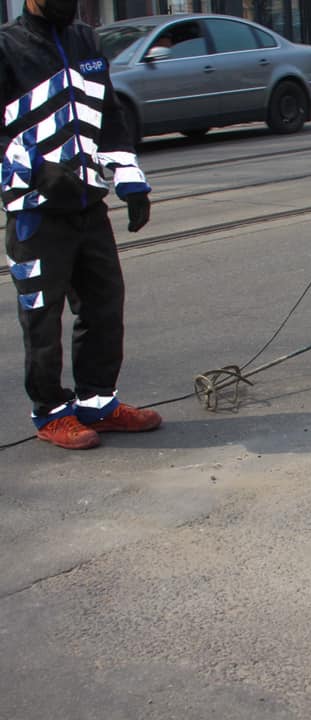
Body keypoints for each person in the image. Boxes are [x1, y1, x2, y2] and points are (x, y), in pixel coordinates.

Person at [1, 0, 161, 450]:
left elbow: (108, 113)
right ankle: (51, 412)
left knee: (103, 304)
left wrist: (131, 181)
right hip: (35, 210)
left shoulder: (84, 39)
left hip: (89, 204)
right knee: (42, 315)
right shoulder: (7, 46)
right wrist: (39, 172)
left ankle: (98, 403)